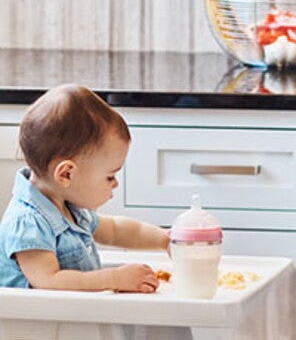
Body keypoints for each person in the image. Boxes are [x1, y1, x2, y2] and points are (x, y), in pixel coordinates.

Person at [0, 84, 170, 292]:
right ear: (66, 174)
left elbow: (116, 231)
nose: (115, 183)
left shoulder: (69, 207)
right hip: (36, 324)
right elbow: (49, 280)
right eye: (110, 176)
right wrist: (114, 278)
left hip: (69, 321)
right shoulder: (28, 223)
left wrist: (164, 239)